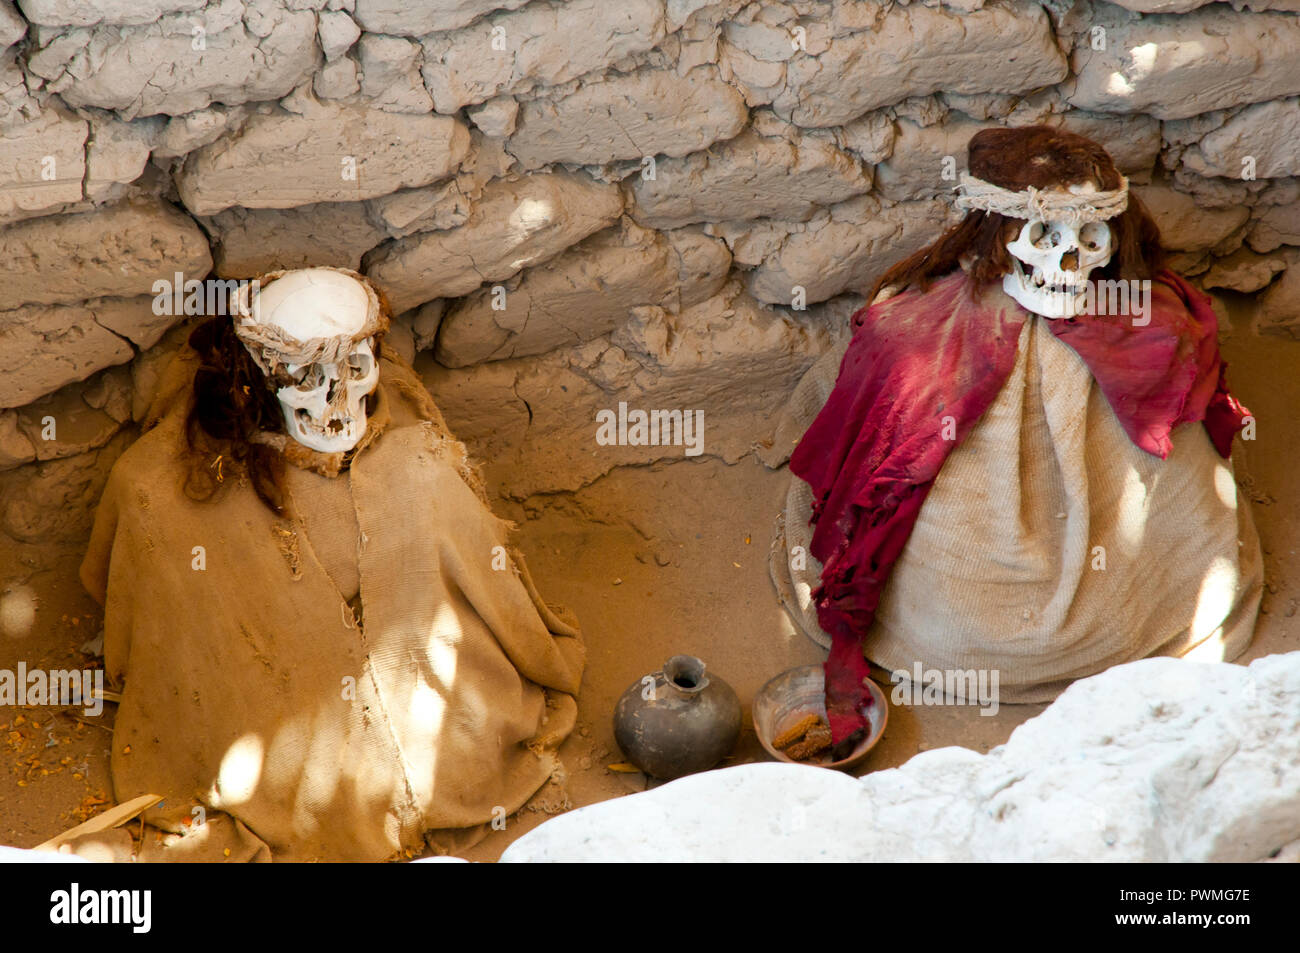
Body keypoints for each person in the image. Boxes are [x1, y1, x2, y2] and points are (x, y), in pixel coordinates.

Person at [774, 127, 1262, 751]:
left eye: (1088, 243)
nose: (1066, 266)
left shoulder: (1149, 328)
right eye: (1045, 240)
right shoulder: (918, 341)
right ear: (998, 237)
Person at [81, 267, 584, 861]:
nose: (336, 402)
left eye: (354, 370)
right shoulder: (163, 493)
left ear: (375, 364)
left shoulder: (418, 463)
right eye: (307, 378)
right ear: (262, 378)